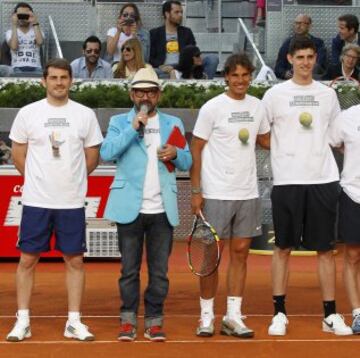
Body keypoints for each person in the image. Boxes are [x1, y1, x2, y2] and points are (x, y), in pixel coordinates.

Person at [6, 58, 103, 342]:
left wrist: (70, 179)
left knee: (75, 261)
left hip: (71, 202)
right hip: (36, 200)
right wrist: (39, 179)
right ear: (44, 81)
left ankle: (74, 321)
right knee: (27, 260)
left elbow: (92, 156)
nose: (59, 83)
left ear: (71, 80)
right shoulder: (28, 113)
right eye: (54, 78)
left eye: (64, 78)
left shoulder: (85, 115)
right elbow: (18, 154)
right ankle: (22, 320)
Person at [262, 36, 352, 336]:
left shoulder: (327, 95)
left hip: (323, 180)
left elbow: (338, 136)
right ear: (289, 59)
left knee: (325, 250)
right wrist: (283, 153)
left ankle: (330, 315)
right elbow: (263, 134)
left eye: (310, 57)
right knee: (283, 248)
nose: (305, 62)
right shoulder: (274, 95)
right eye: (299, 57)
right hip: (287, 181)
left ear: (315, 59)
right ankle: (279, 313)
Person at [100, 67, 192, 342]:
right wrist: (133, 128)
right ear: (131, 94)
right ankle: (128, 319)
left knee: (159, 271)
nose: (145, 96)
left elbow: (187, 162)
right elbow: (107, 153)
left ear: (158, 95)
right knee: (128, 269)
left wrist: (176, 153)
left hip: (162, 210)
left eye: (150, 91)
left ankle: (154, 319)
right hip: (130, 207)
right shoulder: (120, 122)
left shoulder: (173, 123)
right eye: (140, 91)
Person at [190, 53, 270, 338]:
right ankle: (207, 316)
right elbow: (196, 148)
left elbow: (265, 140)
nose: (240, 80)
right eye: (235, 75)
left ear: (250, 77)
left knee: (240, 254)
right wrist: (196, 190)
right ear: (226, 77)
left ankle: (233, 316)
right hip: (216, 192)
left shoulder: (258, 107)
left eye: (245, 75)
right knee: (211, 255)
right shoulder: (213, 107)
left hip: (248, 192)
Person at [330, 105, 360, 335]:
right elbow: (334, 142)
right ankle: (358, 313)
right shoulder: (347, 117)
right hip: (353, 193)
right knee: (352, 255)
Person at [149, 0, 219, 79]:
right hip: (163, 67)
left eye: (181, 12)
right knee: (151, 71)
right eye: (177, 12)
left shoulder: (186, 32)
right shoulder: (154, 33)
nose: (180, 15)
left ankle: (204, 85)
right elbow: (150, 57)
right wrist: (161, 66)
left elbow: (194, 52)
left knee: (212, 59)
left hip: (182, 66)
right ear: (167, 14)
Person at [274, 14, 326, 80]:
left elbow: (319, 65)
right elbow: (278, 67)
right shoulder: (287, 43)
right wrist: (285, 73)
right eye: (297, 23)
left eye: (302, 24)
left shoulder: (318, 43)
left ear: (309, 26)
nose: (298, 26)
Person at [6, 2, 44, 74]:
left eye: (25, 15)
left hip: (36, 67)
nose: (22, 18)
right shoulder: (10, 32)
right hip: (17, 68)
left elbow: (40, 42)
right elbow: (14, 47)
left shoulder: (38, 31)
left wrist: (35, 22)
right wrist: (14, 24)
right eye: (20, 15)